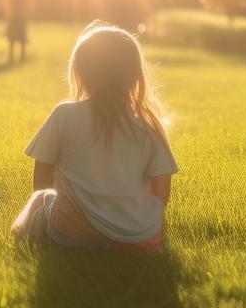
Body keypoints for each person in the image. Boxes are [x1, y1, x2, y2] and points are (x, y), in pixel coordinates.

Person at [11, 22, 178, 251]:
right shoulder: (150, 125)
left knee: (41, 198)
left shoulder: (64, 115)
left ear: (81, 72)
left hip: (71, 234)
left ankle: (18, 232)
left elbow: (41, 179)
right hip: (140, 240)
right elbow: (161, 193)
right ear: (133, 75)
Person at [3, 0, 32, 64]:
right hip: (15, 17)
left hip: (19, 17)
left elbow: (28, 1)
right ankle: (14, 58)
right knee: (14, 38)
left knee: (20, 38)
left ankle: (20, 58)